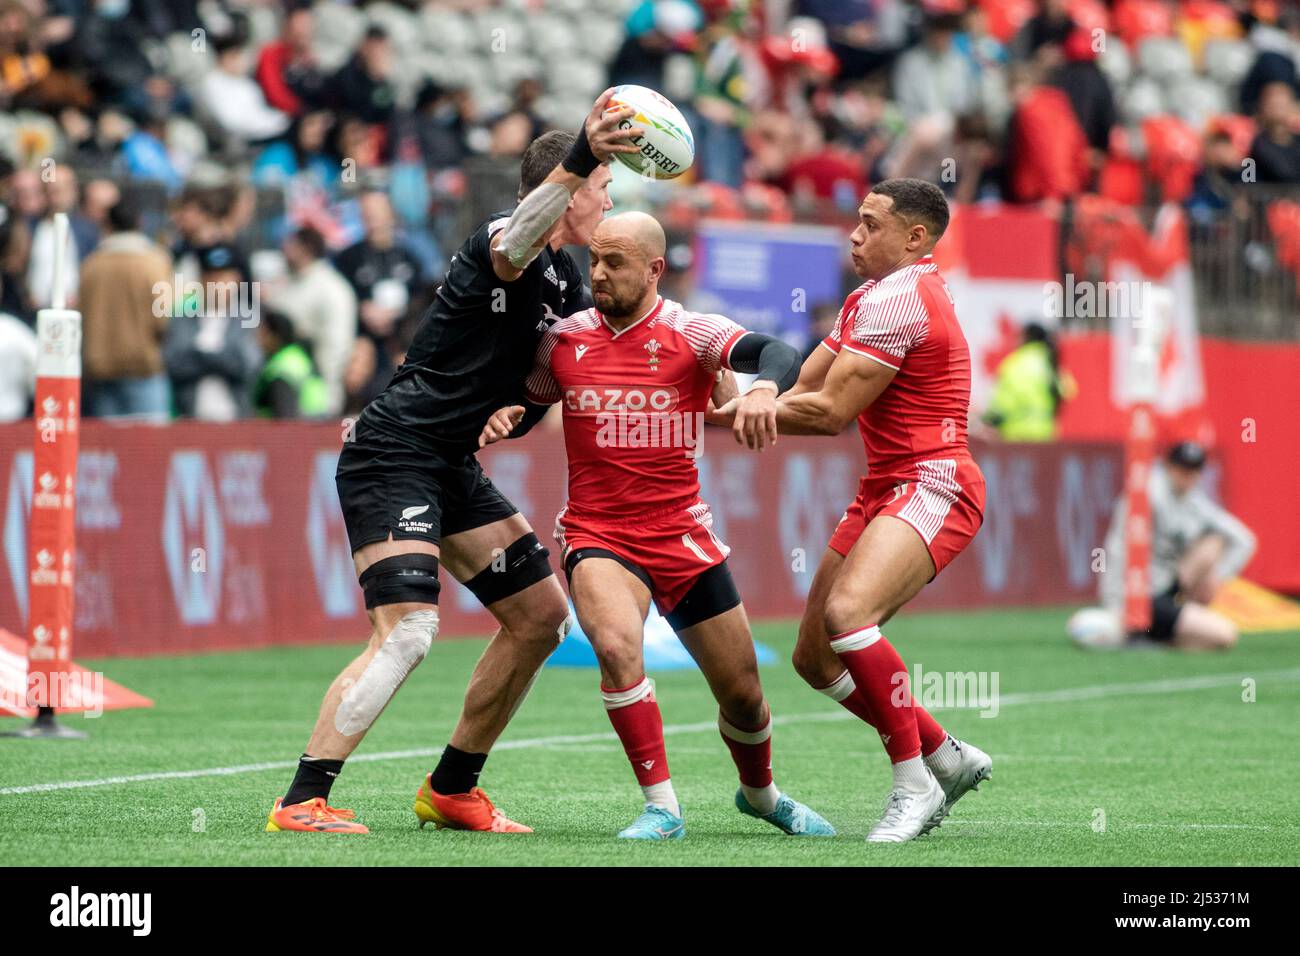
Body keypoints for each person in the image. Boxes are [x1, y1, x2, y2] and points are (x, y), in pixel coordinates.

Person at [265, 90, 643, 835]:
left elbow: (545, 379)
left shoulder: (567, 279)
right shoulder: (503, 235)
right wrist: (582, 157)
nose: (606, 201)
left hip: (450, 464)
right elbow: (517, 243)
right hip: (393, 451)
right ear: (564, 190)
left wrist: (521, 411)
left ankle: (451, 788)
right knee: (408, 630)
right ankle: (302, 799)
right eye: (602, 188)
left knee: (540, 617)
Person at [480, 212, 833, 841]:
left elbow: (776, 351)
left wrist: (761, 392)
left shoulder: (693, 332)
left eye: (616, 262)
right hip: (597, 534)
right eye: (595, 260)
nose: (600, 273)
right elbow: (530, 403)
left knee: (744, 696)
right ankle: (662, 807)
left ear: (654, 269)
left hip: (684, 537)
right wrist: (502, 416)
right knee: (617, 650)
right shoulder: (561, 339)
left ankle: (762, 793)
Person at [710, 178, 992, 843]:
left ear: (914, 237)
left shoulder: (901, 300)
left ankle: (914, 783)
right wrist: (740, 404)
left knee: (847, 616)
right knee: (814, 657)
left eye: (870, 225)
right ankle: (946, 754)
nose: (855, 236)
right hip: (887, 487)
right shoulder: (871, 296)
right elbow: (805, 389)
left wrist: (731, 407)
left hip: (935, 481)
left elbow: (831, 413)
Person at [1099, 442, 1256, 651]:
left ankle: (1160, 635)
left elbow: (1244, 539)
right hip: (1139, 595)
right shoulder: (1148, 494)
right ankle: (1144, 630)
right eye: (1182, 468)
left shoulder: (1193, 501)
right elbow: (1121, 550)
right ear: (1169, 467)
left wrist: (1219, 577)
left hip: (1166, 588)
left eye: (1193, 470)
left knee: (1213, 543)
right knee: (1224, 634)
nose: (1187, 475)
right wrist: (1117, 600)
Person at [78, 196, 173, 419]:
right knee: (150, 448)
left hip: (100, 369)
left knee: (109, 448)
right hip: (144, 368)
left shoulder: (91, 265)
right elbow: (166, 316)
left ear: (107, 224)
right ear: (140, 223)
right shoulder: (154, 263)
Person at [271, 225, 356, 416]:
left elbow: (337, 343)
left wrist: (328, 385)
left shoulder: (331, 288)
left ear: (305, 249)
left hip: (316, 389)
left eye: (290, 244)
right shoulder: (288, 283)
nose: (284, 249)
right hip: (283, 384)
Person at [983, 322, 1074, 441]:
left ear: (1025, 337)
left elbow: (1000, 405)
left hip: (1016, 436)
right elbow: (1067, 391)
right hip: (1046, 436)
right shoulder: (1049, 361)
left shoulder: (1013, 364)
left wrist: (987, 420)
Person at [252, 307, 329, 419]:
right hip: (318, 427)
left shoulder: (281, 369)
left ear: (275, 336)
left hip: (300, 431)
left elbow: (285, 418)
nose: (257, 338)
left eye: (263, 332)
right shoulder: (299, 357)